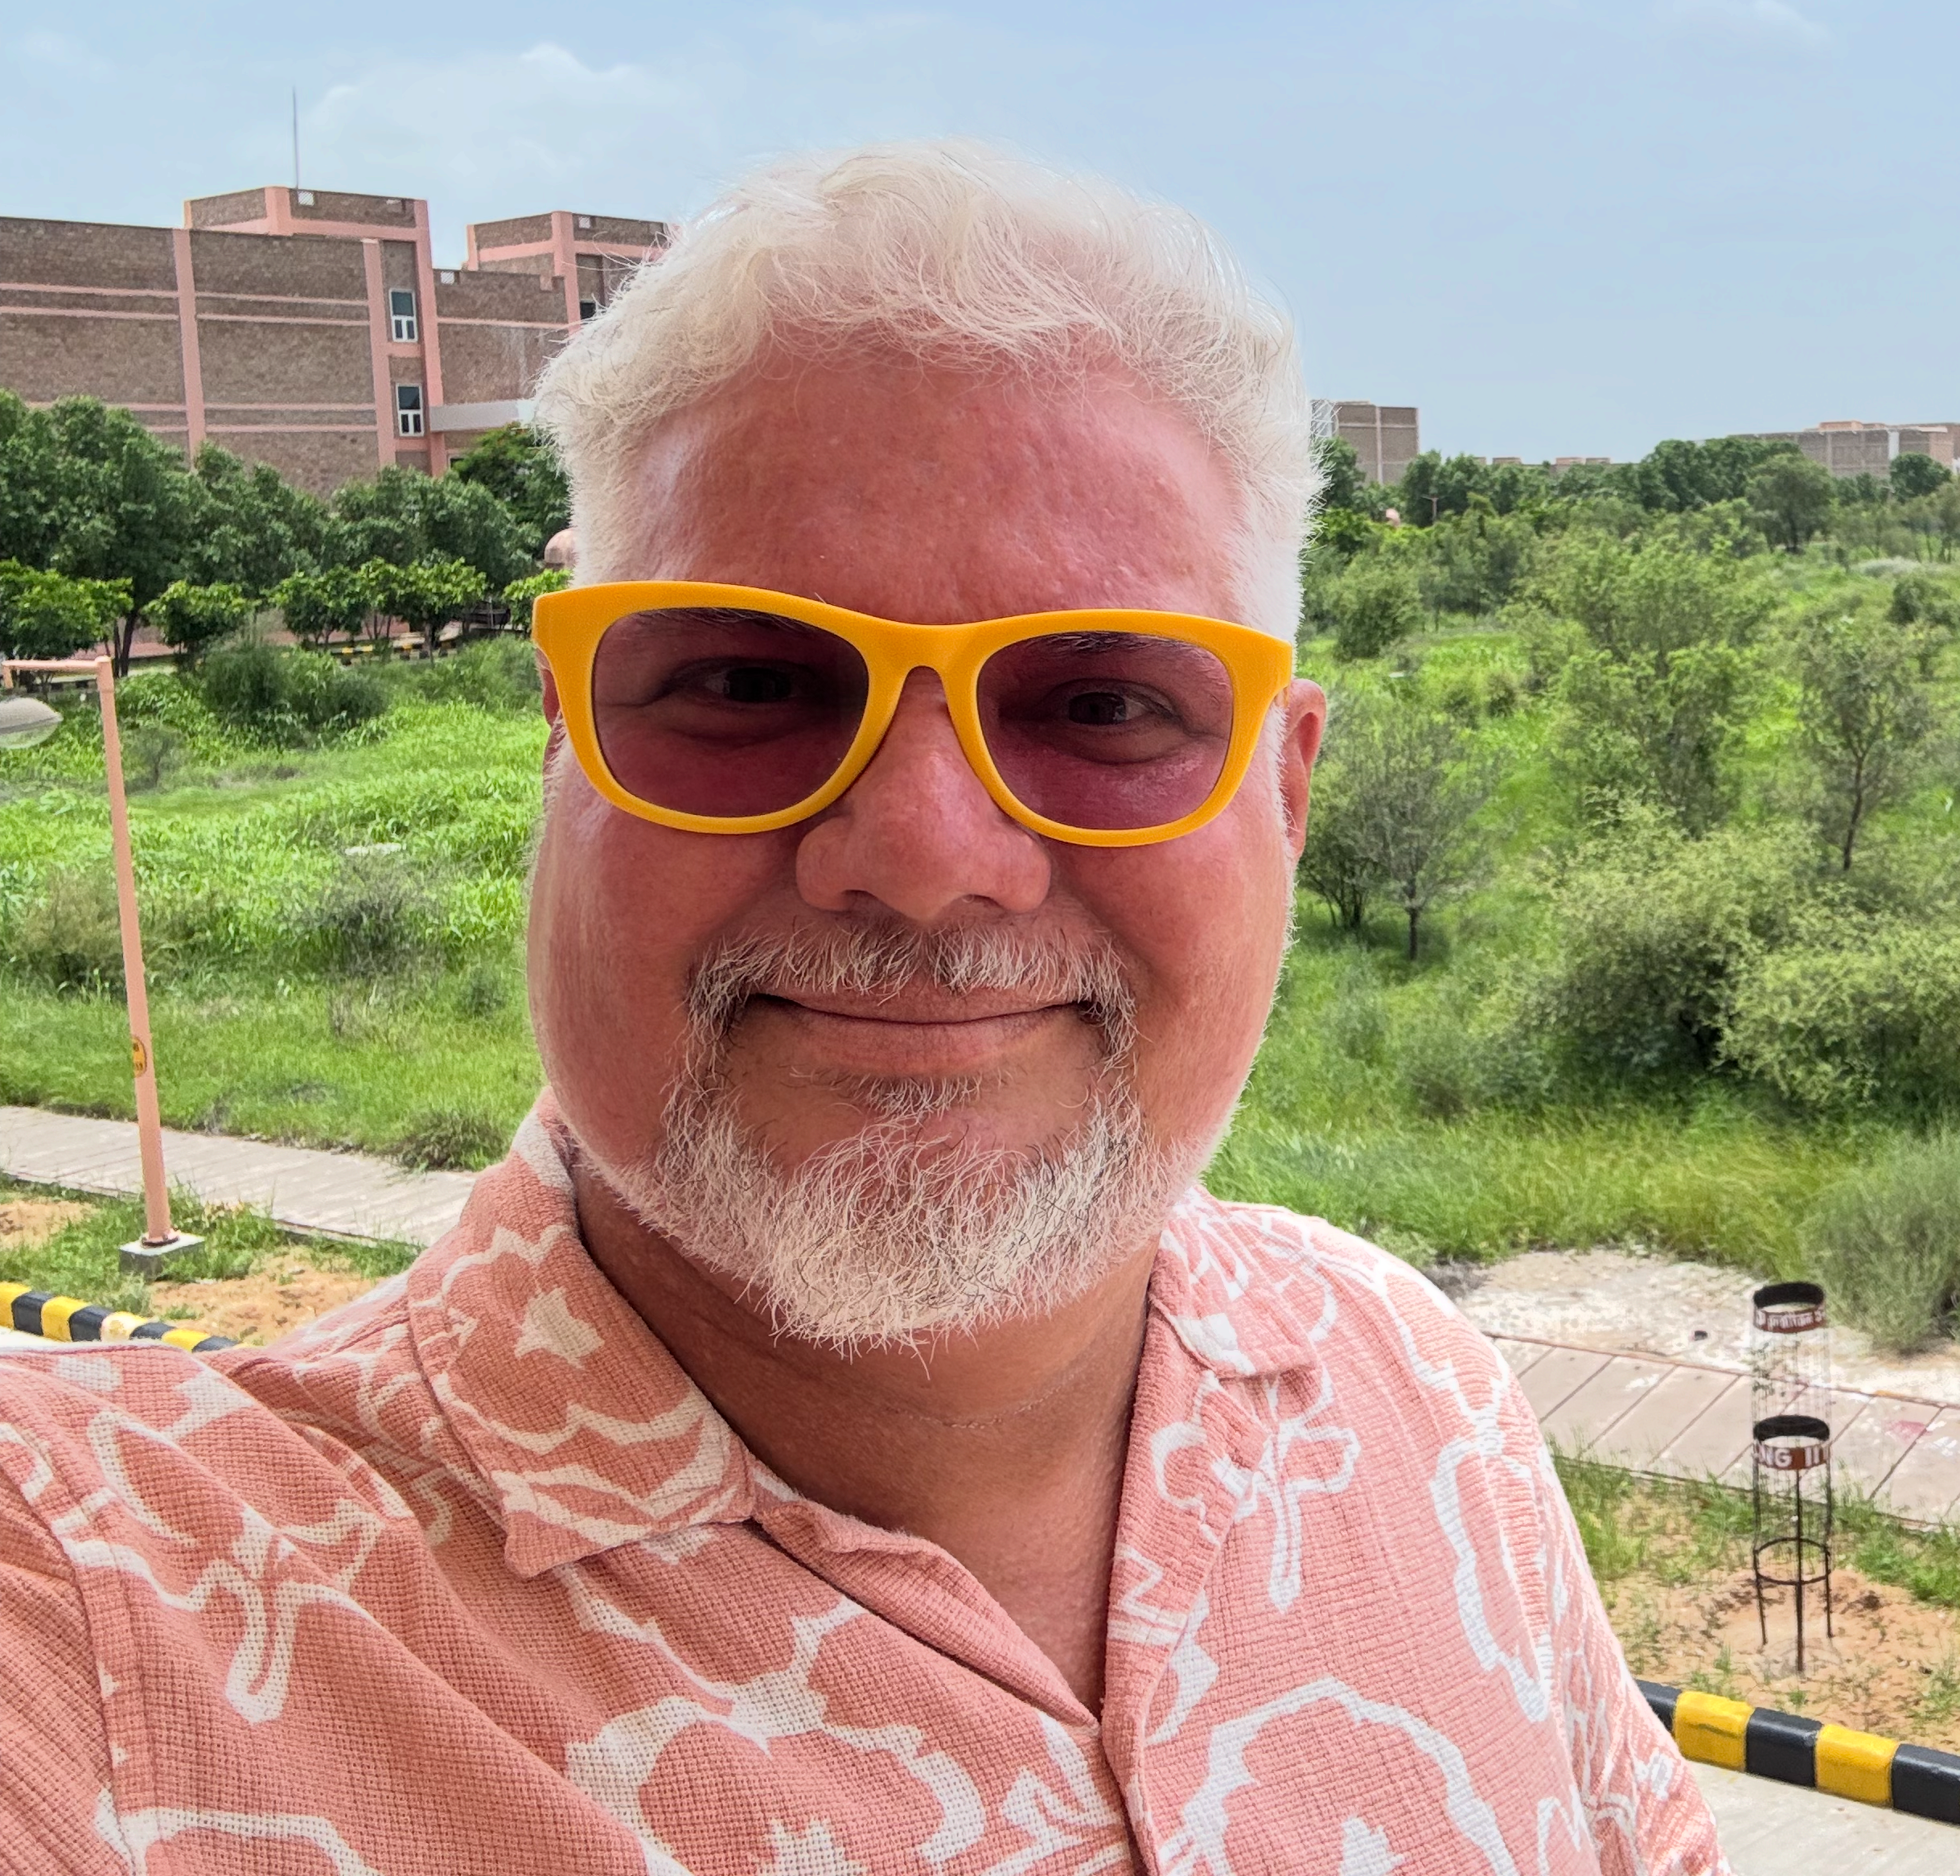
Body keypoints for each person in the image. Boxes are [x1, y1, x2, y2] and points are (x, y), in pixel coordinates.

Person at [0, 142, 1725, 1874]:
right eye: (747, 681)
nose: (920, 856)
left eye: (1103, 705)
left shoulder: (1414, 1386)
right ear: (561, 736)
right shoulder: (99, 1620)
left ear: (1284, 795)